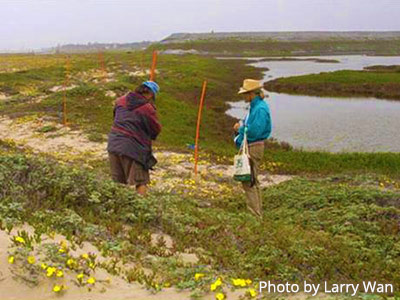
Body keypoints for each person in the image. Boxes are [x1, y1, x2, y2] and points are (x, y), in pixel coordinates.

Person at [107, 81, 161, 195]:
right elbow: (155, 129)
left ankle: (116, 208)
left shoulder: (120, 100)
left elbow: (115, 118)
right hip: (133, 148)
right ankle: (140, 209)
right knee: (141, 181)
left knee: (118, 182)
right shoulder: (147, 108)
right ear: (151, 94)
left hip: (113, 143)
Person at [233, 79, 272, 218]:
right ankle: (257, 213)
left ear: (251, 94)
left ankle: (254, 215)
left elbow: (255, 131)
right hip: (253, 146)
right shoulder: (256, 107)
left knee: (249, 182)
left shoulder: (260, 109)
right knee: (253, 181)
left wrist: (240, 128)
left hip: (254, 147)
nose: (243, 97)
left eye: (245, 94)